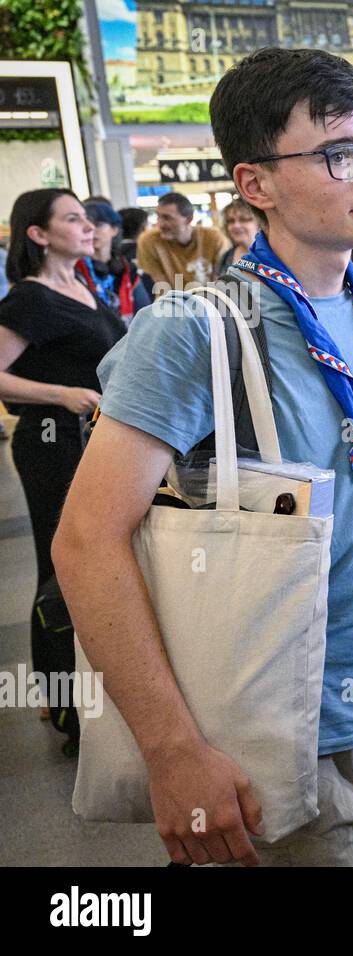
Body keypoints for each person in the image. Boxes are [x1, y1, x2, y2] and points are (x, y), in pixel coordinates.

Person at [52, 47, 353, 867]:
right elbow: (86, 541)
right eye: (341, 154)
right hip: (276, 733)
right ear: (256, 184)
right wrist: (172, 751)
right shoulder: (197, 327)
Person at [0, 189, 127, 747]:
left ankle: (83, 699)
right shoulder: (29, 299)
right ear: (38, 233)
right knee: (61, 565)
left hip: (92, 441)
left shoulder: (81, 284)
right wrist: (60, 395)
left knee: (89, 561)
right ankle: (62, 702)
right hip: (52, 442)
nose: (88, 227)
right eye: (72, 219)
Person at [135, 191, 229, 291]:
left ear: (188, 219)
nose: (160, 224)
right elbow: (161, 288)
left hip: (211, 301)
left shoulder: (213, 238)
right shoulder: (149, 241)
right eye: (158, 216)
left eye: (167, 218)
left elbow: (220, 283)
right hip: (172, 302)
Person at [76, 202, 152, 323]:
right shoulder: (74, 270)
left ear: (114, 230)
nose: (91, 229)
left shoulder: (126, 269)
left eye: (98, 224)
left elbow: (146, 314)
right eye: (86, 224)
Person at [216, 197, 259, 274]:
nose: (236, 225)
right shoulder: (226, 257)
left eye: (243, 219)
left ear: (259, 223)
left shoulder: (272, 256)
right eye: (231, 221)